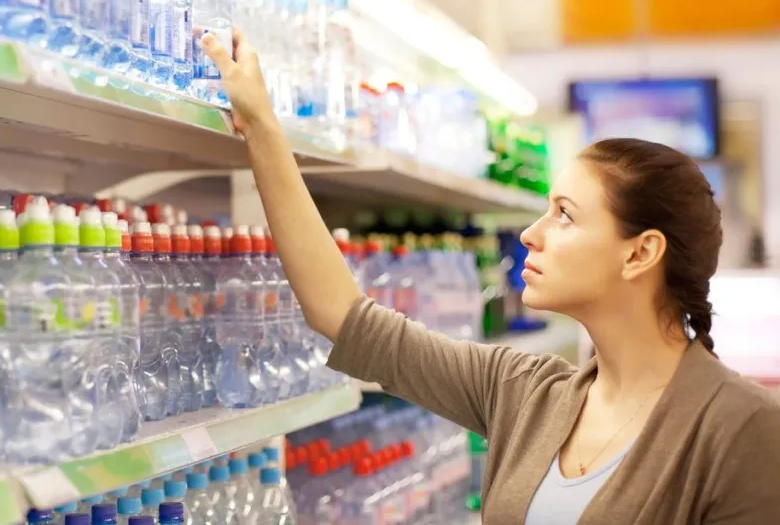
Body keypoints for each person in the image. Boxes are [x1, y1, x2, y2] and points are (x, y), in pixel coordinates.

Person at [198, 30, 780, 524]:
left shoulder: (741, 429)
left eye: (565, 215)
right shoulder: (525, 393)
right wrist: (264, 128)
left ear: (639, 254)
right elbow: (342, 316)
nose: (531, 233)